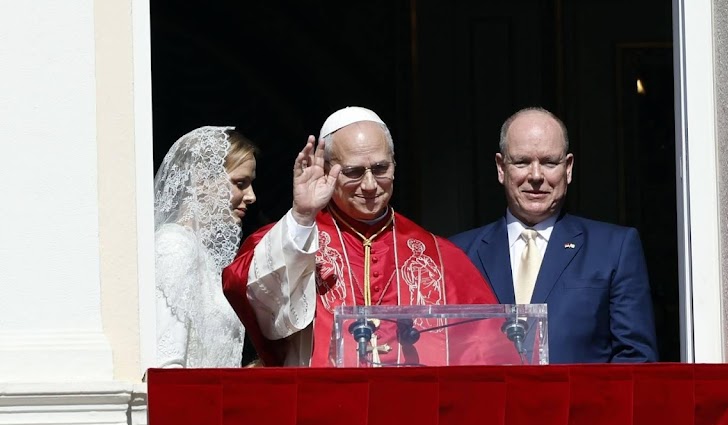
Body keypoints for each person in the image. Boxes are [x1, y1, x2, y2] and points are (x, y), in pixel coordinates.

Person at [222, 106, 501, 367]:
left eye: (381, 169)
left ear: (394, 164)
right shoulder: (297, 235)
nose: (369, 185)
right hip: (323, 408)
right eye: (353, 172)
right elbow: (253, 297)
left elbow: (486, 349)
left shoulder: (438, 255)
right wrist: (302, 216)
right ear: (328, 169)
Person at [450, 107, 658, 363]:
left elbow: (636, 359)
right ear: (501, 168)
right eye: (522, 162)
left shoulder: (614, 249)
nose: (536, 176)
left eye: (549, 162)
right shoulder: (458, 254)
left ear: (568, 168)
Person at [153, 126, 257, 368]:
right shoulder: (174, 246)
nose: (251, 196)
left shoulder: (201, 254)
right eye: (240, 183)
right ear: (201, 180)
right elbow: (167, 362)